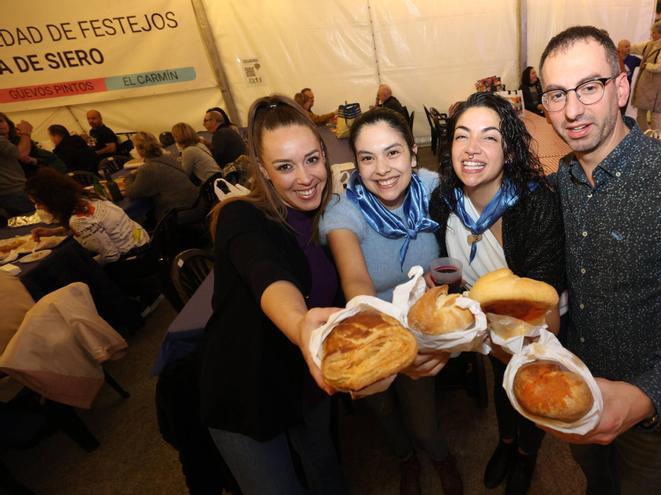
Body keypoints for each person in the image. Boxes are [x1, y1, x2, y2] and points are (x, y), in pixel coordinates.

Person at [538, 26, 661, 494]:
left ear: (622, 88)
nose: (572, 110)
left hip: (660, 416)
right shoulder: (561, 182)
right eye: (556, 94)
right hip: (581, 386)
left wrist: (646, 395)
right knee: (599, 483)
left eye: (590, 87)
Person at [199, 94, 347, 495]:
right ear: (262, 170)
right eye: (284, 166)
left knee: (328, 474)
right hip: (246, 387)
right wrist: (300, 325)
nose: (304, 177)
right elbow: (267, 273)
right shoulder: (240, 215)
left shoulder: (325, 216)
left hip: (307, 382)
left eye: (312, 160)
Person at [320, 108, 462, 495]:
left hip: (422, 329)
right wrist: (382, 349)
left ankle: (438, 455)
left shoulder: (435, 189)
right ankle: (405, 459)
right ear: (356, 164)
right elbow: (356, 281)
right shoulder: (344, 212)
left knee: (423, 420)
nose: (381, 169)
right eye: (367, 158)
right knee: (382, 411)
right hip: (373, 332)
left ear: (413, 154)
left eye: (392, 153)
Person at [429, 92, 565, 495]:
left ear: (509, 150)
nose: (472, 149)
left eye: (489, 137)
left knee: (530, 387)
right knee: (501, 384)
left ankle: (526, 455)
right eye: (461, 136)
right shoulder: (444, 200)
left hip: (531, 325)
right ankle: (506, 444)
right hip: (481, 325)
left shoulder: (534, 205)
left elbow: (546, 303)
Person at [26, 168, 150, 266]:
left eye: (39, 202)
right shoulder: (88, 197)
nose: (38, 207)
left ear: (51, 200)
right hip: (144, 243)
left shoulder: (78, 221)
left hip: (136, 259)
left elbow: (111, 256)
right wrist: (53, 232)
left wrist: (86, 266)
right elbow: (94, 223)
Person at [125, 132, 198, 222]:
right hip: (196, 203)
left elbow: (132, 193)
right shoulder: (169, 157)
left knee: (145, 220)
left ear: (140, 149)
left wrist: (129, 177)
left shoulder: (147, 169)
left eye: (134, 147)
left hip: (179, 213)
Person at [625, 20, 661, 132]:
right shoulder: (651, 44)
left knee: (655, 115)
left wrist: (647, 65)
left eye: (654, 32)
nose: (652, 34)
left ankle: (657, 139)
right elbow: (636, 48)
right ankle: (644, 135)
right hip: (646, 85)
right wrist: (626, 48)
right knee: (641, 112)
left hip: (657, 86)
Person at [0, 113, 34, 219]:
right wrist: (26, 133)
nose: (2, 125)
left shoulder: (8, 141)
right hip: (13, 191)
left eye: (2, 121)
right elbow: (22, 153)